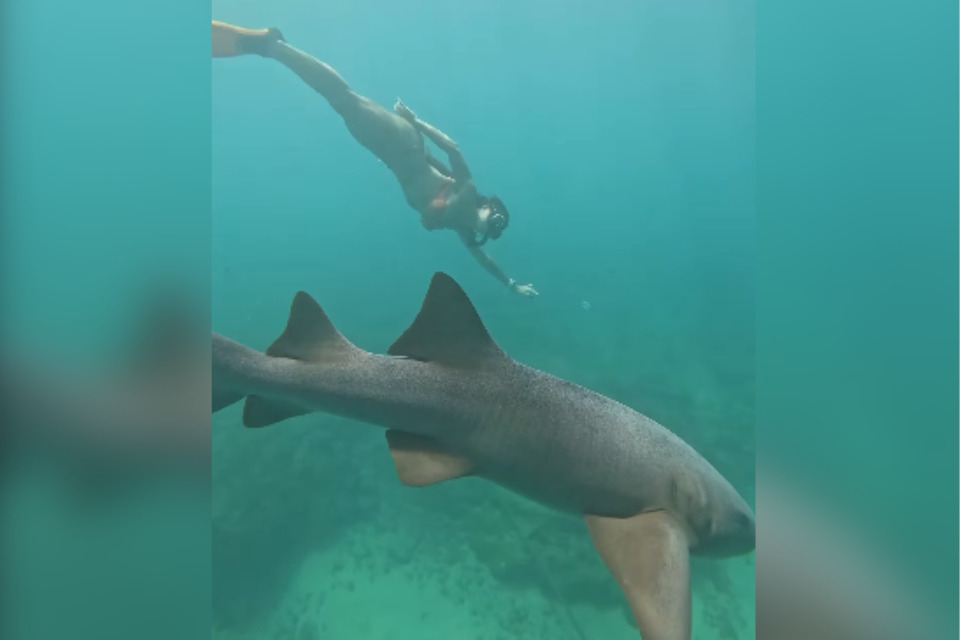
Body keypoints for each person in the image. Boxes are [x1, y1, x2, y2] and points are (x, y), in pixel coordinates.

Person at [213, 21, 538, 298]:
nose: (491, 225)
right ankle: (275, 46)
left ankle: (276, 48)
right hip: (404, 142)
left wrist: (512, 285)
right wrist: (416, 121)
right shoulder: (466, 189)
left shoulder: (462, 229)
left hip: (390, 155)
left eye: (495, 229)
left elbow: (485, 261)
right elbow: (452, 148)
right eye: (496, 218)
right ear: (488, 207)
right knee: (344, 99)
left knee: (343, 104)